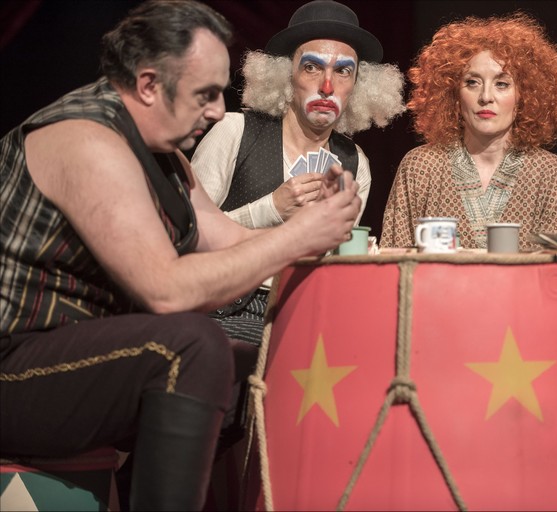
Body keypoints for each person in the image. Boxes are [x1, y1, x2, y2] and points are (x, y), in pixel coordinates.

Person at [0, 1, 361, 510]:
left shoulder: (165, 156)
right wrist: (297, 235)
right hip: (16, 368)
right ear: (149, 85)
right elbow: (166, 291)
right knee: (192, 345)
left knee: (257, 359)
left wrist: (321, 226)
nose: (216, 110)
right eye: (204, 94)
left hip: (84, 360)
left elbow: (230, 239)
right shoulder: (86, 138)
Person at [191, 0, 404, 344]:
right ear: (286, 75)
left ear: (358, 86)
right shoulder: (234, 131)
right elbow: (187, 240)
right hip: (222, 308)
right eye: (312, 67)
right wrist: (271, 209)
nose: (327, 86)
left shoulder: (354, 163)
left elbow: (334, 266)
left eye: (343, 71)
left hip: (306, 309)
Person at [380, 14, 557, 250]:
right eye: (472, 82)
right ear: (454, 94)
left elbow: (555, 268)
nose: (485, 97)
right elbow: (393, 258)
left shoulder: (552, 174)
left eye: (501, 84)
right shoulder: (421, 167)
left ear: (524, 96)